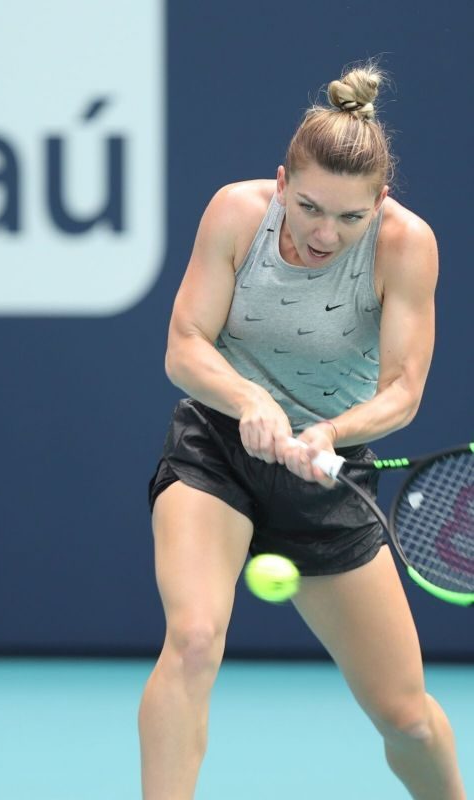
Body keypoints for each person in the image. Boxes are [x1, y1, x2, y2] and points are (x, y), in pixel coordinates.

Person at [138, 63, 466, 799]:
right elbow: (185, 345)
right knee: (192, 641)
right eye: (310, 207)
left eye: (351, 217)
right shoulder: (234, 213)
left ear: (379, 202)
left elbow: (403, 392)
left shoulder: (406, 245)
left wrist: (329, 433)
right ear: (281, 180)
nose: (325, 233)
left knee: (405, 718)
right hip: (214, 454)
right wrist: (248, 398)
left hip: (328, 474)